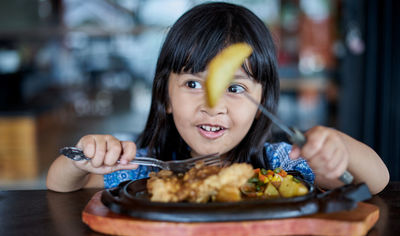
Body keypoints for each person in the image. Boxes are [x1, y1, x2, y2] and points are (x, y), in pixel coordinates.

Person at [46, 2, 389, 194]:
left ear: (262, 106)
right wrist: (82, 160)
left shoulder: (281, 164)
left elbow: (377, 180)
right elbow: (62, 187)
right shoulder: (142, 166)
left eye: (235, 88)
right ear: (165, 96)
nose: (212, 105)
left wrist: (335, 148)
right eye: (193, 84)